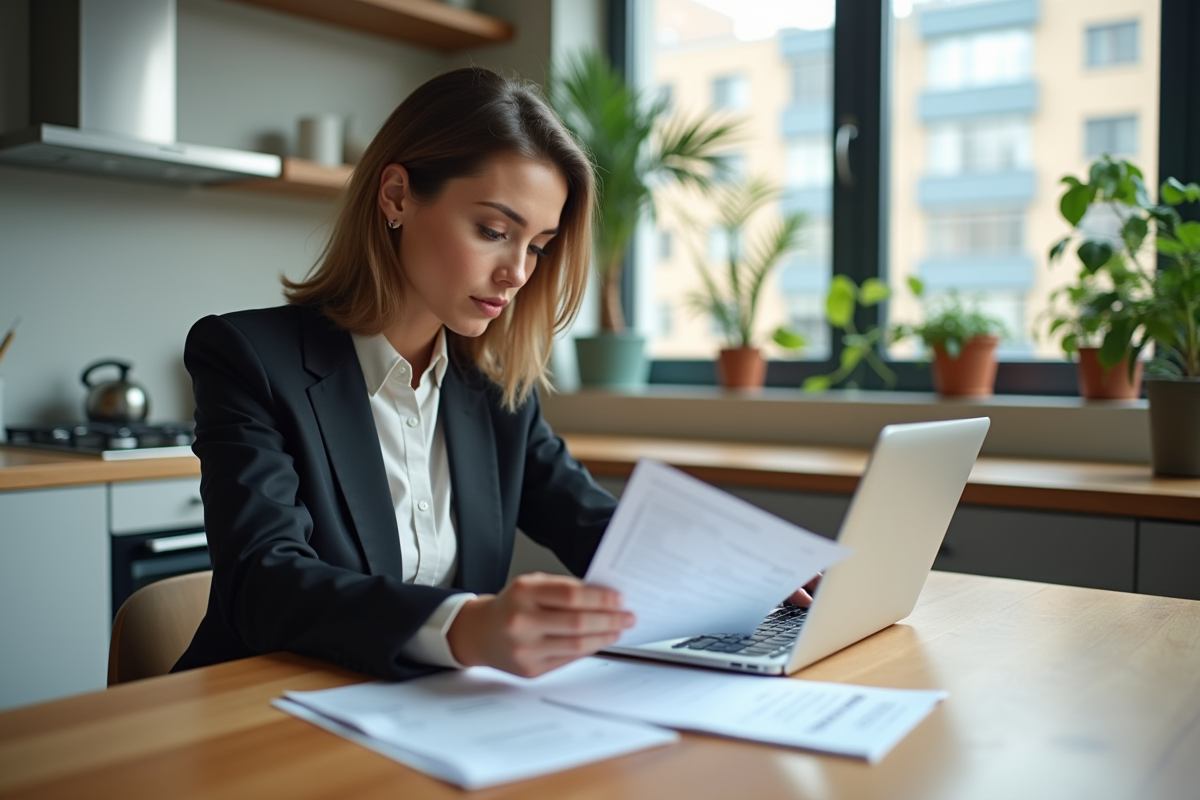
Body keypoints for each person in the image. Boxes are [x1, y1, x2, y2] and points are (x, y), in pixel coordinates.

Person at [174, 66, 817, 682]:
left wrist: (739, 577)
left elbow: (593, 524)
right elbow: (263, 581)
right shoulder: (247, 357)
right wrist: (465, 628)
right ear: (396, 196)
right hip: (259, 710)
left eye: (537, 245)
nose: (518, 271)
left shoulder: (493, 386)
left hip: (419, 716)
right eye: (492, 230)